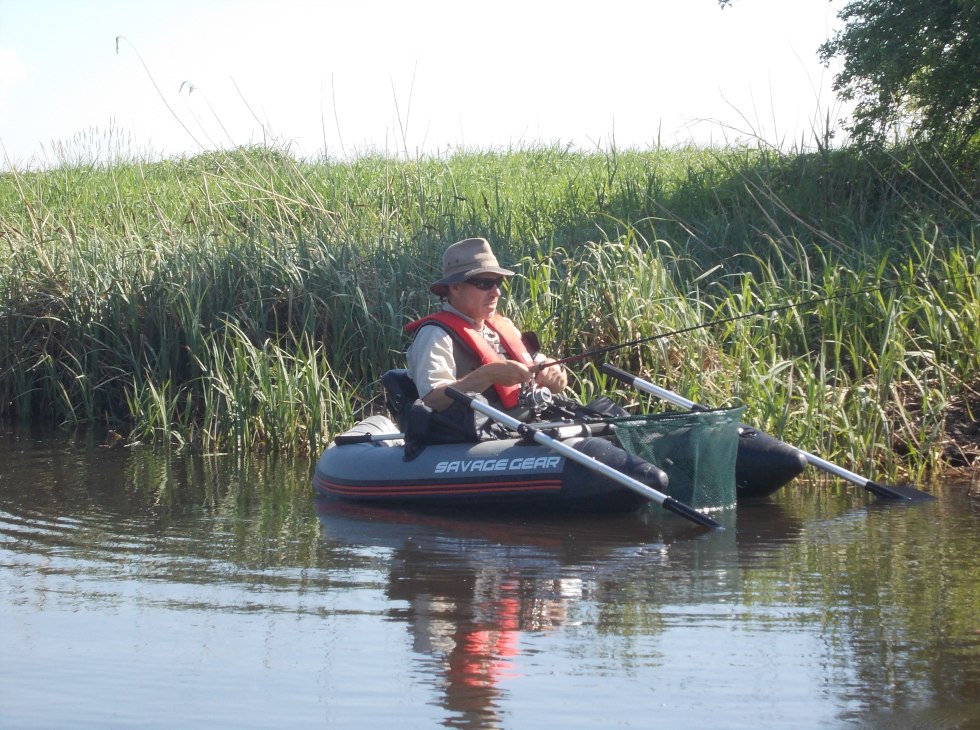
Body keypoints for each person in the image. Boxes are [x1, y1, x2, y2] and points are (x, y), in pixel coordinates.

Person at [405, 237, 568, 417]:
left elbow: (542, 368)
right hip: (484, 437)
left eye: (497, 283)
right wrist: (487, 376)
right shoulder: (434, 335)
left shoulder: (503, 326)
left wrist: (556, 378)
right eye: (484, 284)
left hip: (528, 427)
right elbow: (432, 400)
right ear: (455, 288)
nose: (496, 292)